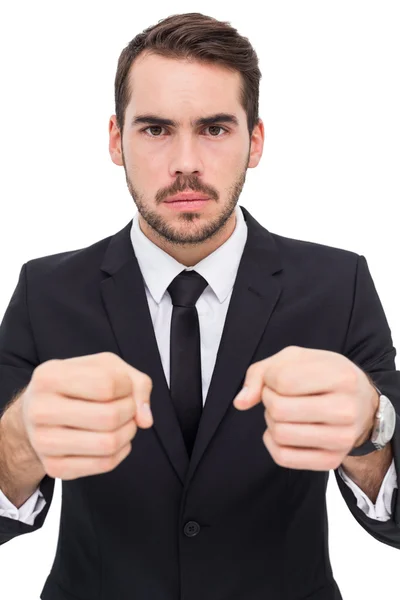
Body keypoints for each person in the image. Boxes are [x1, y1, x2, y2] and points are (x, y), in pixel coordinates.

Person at [0, 11, 399, 600]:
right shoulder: (46, 290)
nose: (185, 161)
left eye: (214, 129)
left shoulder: (340, 284)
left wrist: (372, 428)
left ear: (255, 140)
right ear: (116, 139)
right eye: (156, 129)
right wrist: (19, 438)